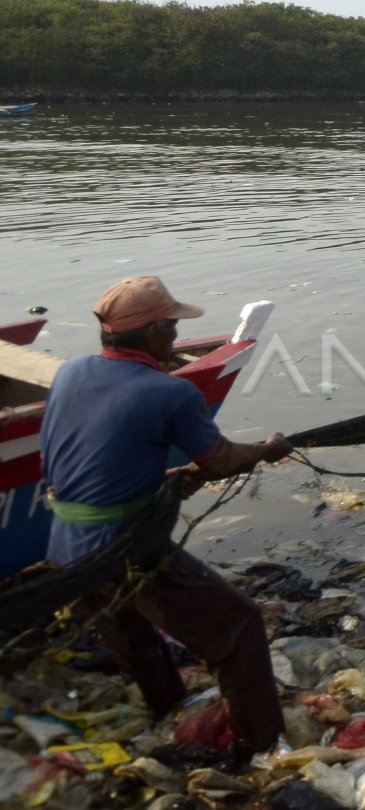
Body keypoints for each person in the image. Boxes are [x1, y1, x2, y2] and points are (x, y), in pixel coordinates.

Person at [40, 276, 295, 756]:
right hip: (121, 546)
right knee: (239, 624)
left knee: (129, 628)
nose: (175, 337)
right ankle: (258, 746)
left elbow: (85, 461)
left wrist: (162, 481)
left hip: (63, 546)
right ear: (157, 332)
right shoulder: (170, 392)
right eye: (172, 328)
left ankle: (166, 708)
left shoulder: (70, 372)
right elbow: (220, 460)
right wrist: (267, 450)